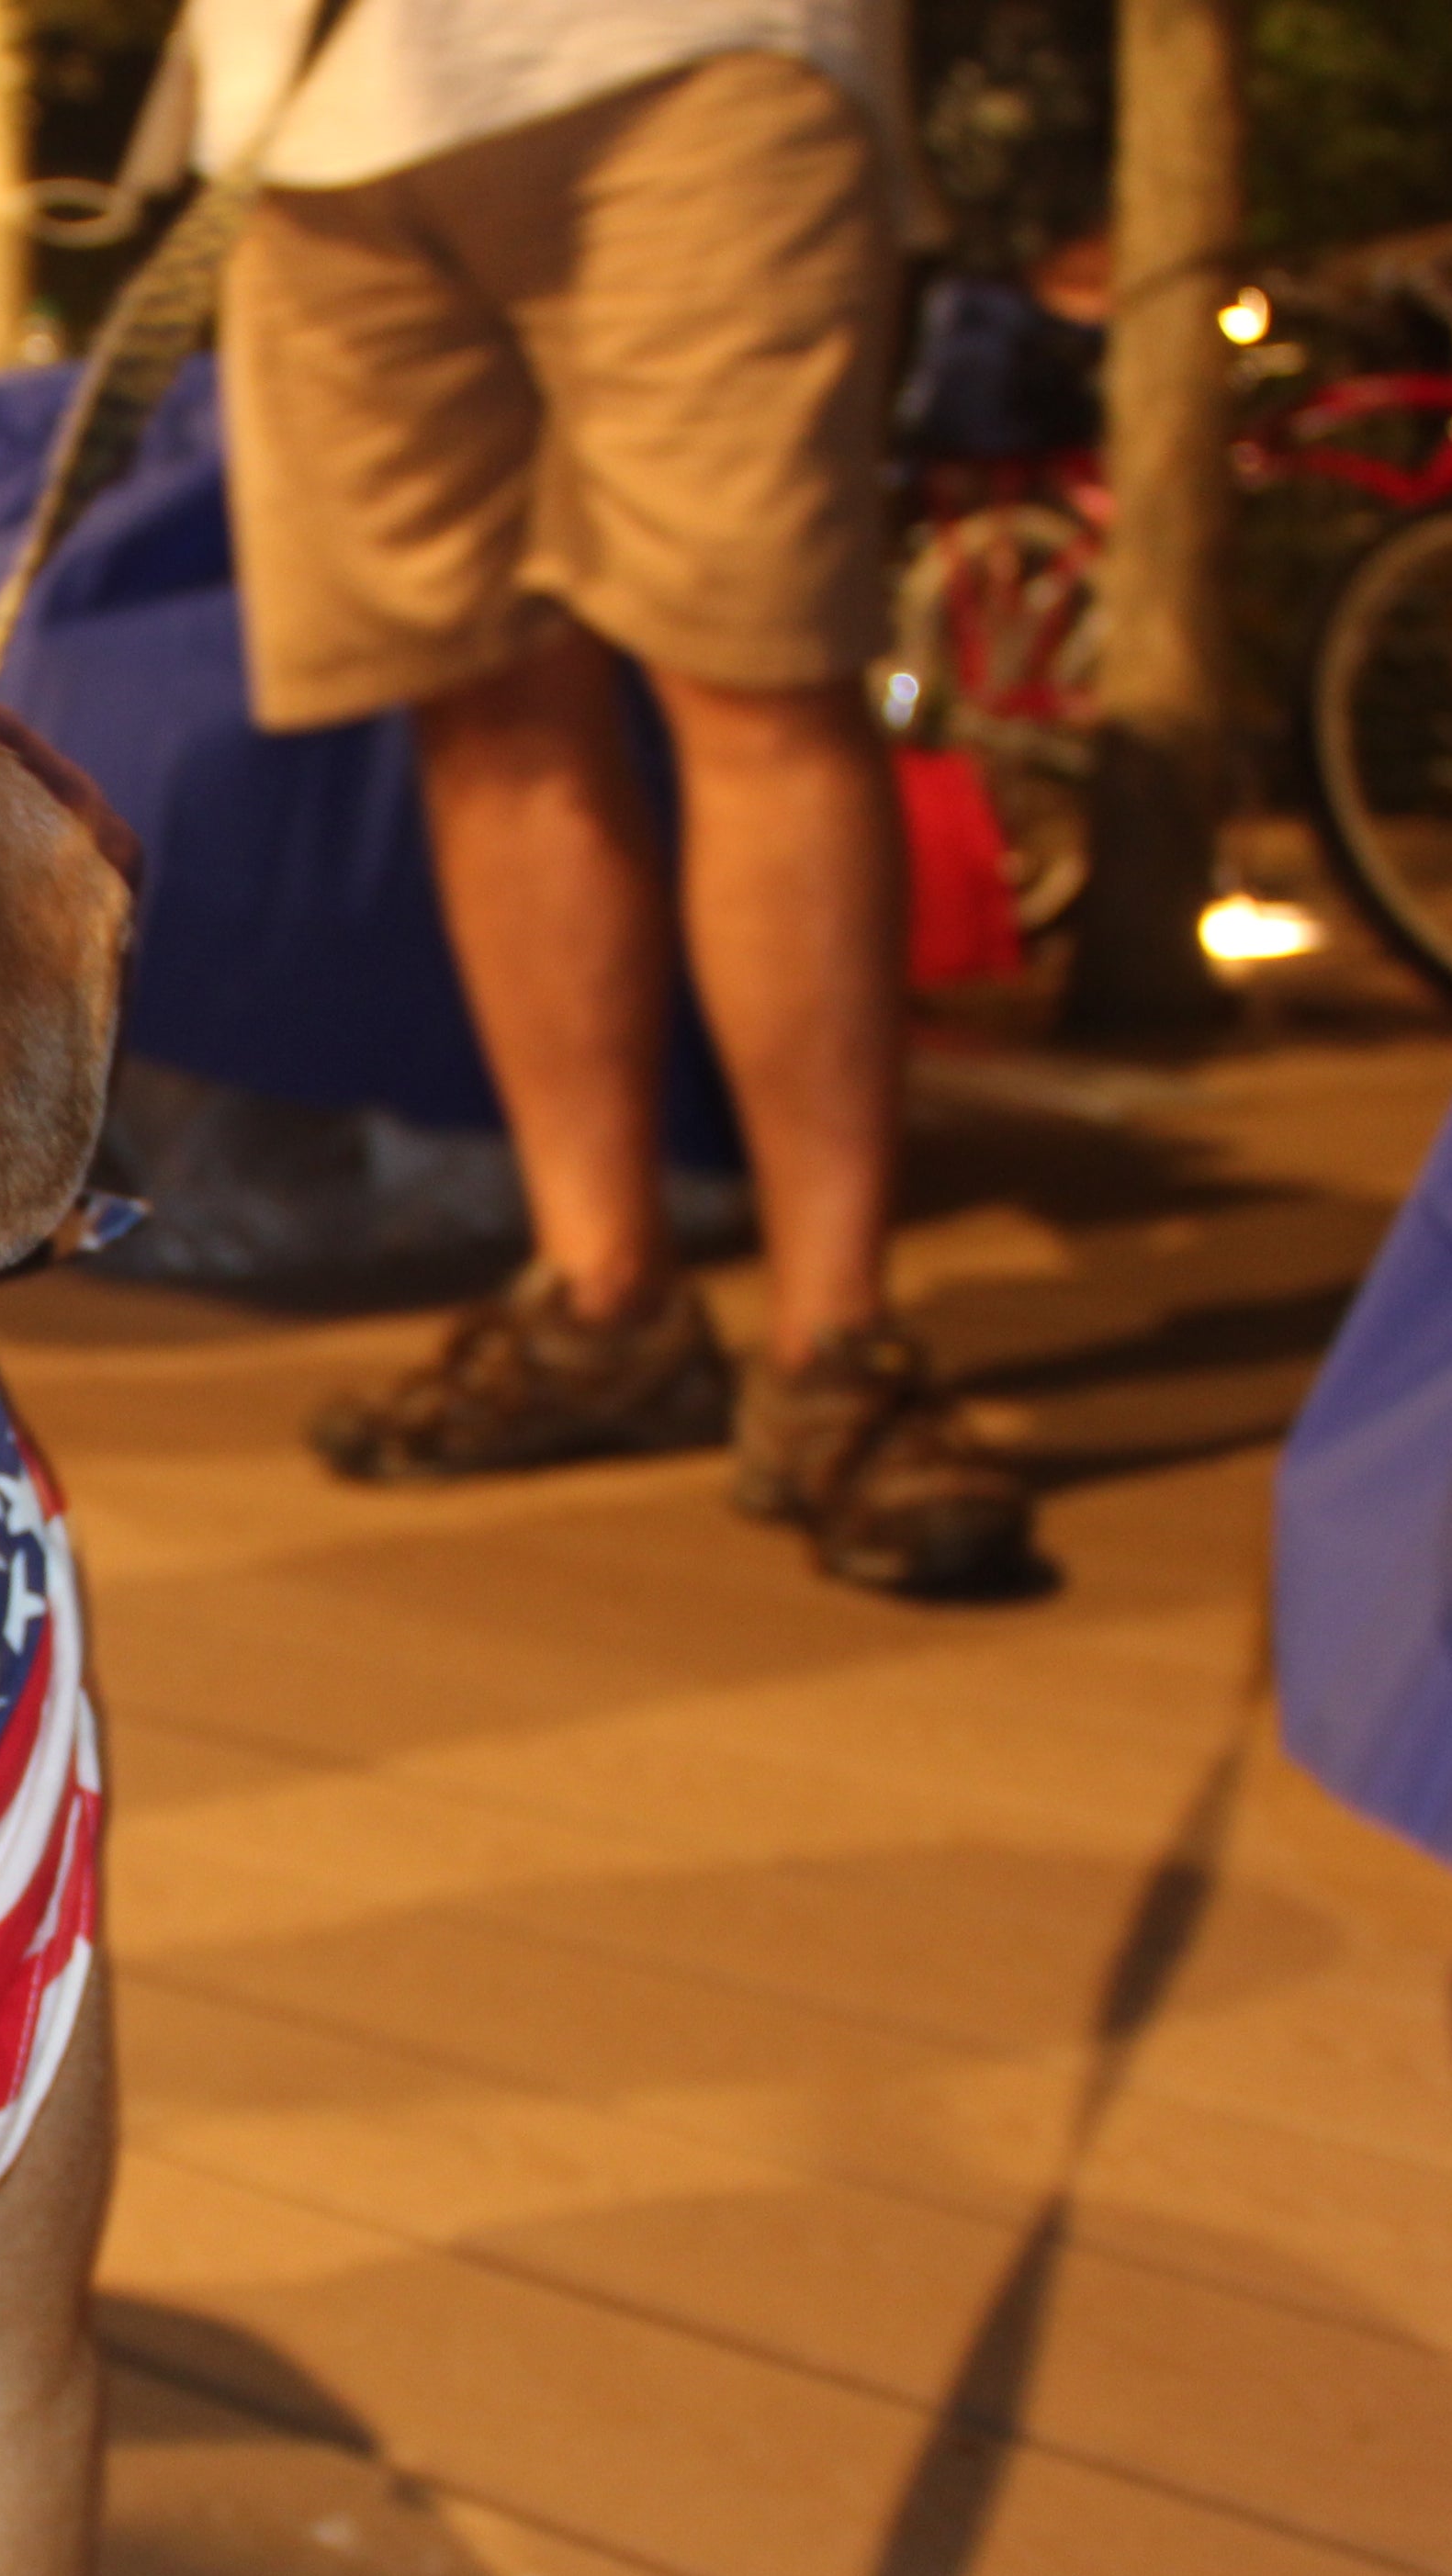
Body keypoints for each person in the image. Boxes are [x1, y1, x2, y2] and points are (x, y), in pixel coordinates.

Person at [180, 0, 1034, 1594]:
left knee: (760, 666)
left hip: (682, 50)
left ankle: (835, 1345)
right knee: (478, 698)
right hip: (308, 108)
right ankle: (603, 1304)